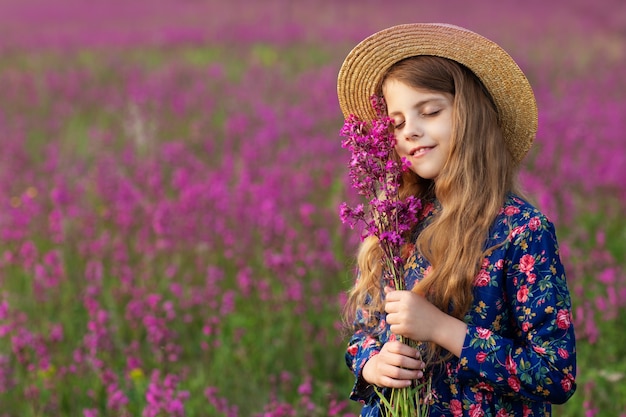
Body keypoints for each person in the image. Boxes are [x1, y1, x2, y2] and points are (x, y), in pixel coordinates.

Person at [337, 24, 577, 416]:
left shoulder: (521, 230)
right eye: (396, 123)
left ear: (471, 117)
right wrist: (372, 364)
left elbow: (555, 373)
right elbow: (366, 329)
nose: (411, 131)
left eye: (429, 111)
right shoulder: (400, 220)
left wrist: (441, 329)